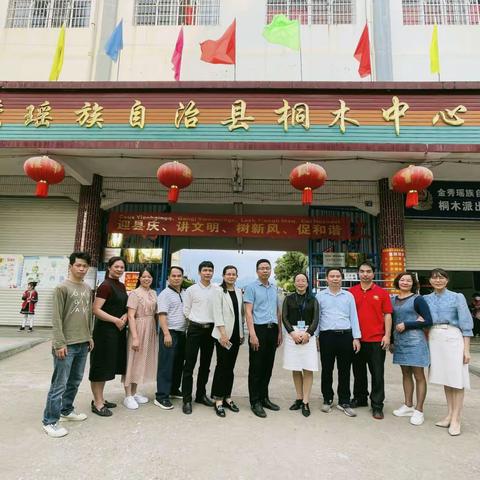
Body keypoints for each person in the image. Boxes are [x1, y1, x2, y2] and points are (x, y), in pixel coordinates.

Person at [41, 252, 93, 438]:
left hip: (82, 342)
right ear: (70, 266)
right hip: (66, 345)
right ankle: (50, 421)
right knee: (59, 384)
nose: (81, 268)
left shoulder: (87, 288)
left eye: (85, 266)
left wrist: (89, 336)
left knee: (75, 381)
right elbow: (56, 318)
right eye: (78, 265)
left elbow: (87, 315)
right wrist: (59, 343)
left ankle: (66, 410)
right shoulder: (61, 288)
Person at [424, 268, 473, 436]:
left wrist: (466, 350)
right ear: (430, 281)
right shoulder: (425, 299)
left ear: (447, 280)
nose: (438, 281)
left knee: (456, 379)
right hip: (435, 338)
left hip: (453, 336)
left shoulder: (457, 297)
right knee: (446, 378)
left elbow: (466, 324)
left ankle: (456, 419)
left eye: (441, 278)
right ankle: (449, 414)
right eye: (435, 278)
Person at [349, 261, 393, 420]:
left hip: (376, 340)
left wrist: (387, 335)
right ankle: (360, 398)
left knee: (377, 373)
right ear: (358, 274)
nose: (365, 274)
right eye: (362, 271)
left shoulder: (382, 293)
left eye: (368, 271)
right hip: (357, 340)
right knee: (358, 372)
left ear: (373, 274)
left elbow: (388, 314)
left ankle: (377, 405)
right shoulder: (351, 292)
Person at [316, 268, 361, 417]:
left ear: (341, 278)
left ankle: (344, 401)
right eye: (332, 276)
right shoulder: (320, 296)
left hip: (345, 336)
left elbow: (353, 317)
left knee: (344, 370)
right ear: (327, 279)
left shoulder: (348, 296)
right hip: (326, 337)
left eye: (337, 276)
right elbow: (317, 318)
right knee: (327, 369)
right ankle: (327, 399)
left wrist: (356, 338)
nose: (335, 278)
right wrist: (316, 337)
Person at [391, 272, 432, 427]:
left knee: (419, 375)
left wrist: (408, 324)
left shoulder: (418, 299)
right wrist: (392, 341)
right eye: (402, 280)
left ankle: (419, 409)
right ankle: (408, 405)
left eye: (409, 280)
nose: (405, 282)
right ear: (398, 282)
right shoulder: (393, 299)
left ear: (413, 283)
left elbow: (428, 320)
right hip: (400, 341)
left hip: (415, 341)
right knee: (405, 373)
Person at [89, 256, 128, 417]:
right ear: (109, 267)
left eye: (121, 267)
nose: (119, 269)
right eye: (116, 266)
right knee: (99, 366)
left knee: (107, 367)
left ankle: (101, 399)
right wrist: (116, 321)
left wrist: (125, 316)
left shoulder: (121, 285)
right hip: (104, 332)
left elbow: (122, 305)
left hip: (116, 331)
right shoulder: (105, 285)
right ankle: (97, 403)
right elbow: (96, 309)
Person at [244, 259, 282, 418]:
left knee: (268, 367)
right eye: (262, 268)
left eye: (267, 268)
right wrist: (252, 334)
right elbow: (248, 312)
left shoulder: (274, 288)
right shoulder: (251, 288)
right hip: (258, 330)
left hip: (272, 330)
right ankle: (255, 401)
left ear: (270, 270)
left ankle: (264, 397)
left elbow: (278, 311)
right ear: (257, 271)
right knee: (256, 368)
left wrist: (279, 332)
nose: (265, 271)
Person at [182, 261, 217, 415]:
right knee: (189, 365)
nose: (207, 273)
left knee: (205, 365)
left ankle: (201, 395)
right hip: (195, 329)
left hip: (210, 330)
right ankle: (187, 399)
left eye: (210, 270)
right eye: (205, 270)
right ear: (199, 272)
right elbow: (186, 310)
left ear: (213, 272)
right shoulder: (191, 290)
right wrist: (196, 320)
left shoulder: (216, 290)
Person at [282, 272, 319, 418]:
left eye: (303, 280)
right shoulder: (289, 298)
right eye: (298, 280)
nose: (301, 283)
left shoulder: (313, 299)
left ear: (308, 283)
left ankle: (305, 401)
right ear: (294, 283)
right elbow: (284, 317)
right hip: (293, 335)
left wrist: (308, 333)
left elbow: (316, 318)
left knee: (308, 368)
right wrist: (292, 333)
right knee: (296, 368)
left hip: (308, 334)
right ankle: (298, 397)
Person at [211, 265, 245, 417]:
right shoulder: (218, 291)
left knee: (230, 367)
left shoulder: (238, 291)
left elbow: (240, 314)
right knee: (222, 366)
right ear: (223, 276)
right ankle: (218, 399)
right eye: (228, 274)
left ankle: (227, 396)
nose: (231, 276)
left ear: (237, 276)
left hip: (236, 335)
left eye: (234, 274)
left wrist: (242, 333)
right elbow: (217, 314)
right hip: (223, 335)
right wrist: (223, 334)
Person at [122, 268, 159, 410]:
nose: (146, 279)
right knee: (132, 360)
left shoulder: (154, 293)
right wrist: (135, 337)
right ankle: (127, 396)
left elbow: (156, 314)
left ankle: (134, 392)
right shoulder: (134, 294)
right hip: (138, 327)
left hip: (150, 328)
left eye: (149, 276)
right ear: (139, 278)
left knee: (141, 361)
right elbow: (131, 316)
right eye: (143, 276)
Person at [154, 266, 187, 410]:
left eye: (179, 275)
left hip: (182, 332)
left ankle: (174, 389)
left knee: (178, 363)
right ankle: (161, 396)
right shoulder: (165, 294)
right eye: (173, 276)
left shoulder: (184, 293)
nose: (176, 278)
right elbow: (162, 315)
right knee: (166, 365)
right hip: (170, 333)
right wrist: (166, 333)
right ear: (168, 278)